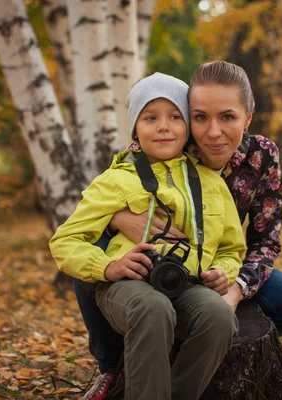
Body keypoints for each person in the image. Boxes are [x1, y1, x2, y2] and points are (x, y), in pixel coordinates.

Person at [76, 61, 282, 400]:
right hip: (152, 255)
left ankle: (195, 322)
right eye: (201, 117)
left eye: (228, 117)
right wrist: (120, 218)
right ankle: (110, 365)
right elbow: (117, 180)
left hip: (218, 263)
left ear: (248, 117)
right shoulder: (171, 142)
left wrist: (235, 286)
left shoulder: (262, 156)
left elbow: (265, 240)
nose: (214, 132)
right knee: (91, 256)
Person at [50, 72, 247, 400]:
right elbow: (64, 241)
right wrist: (109, 267)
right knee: (153, 308)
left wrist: (222, 272)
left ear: (187, 127)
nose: (163, 126)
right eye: (150, 117)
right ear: (135, 130)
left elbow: (231, 249)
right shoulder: (115, 180)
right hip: (127, 288)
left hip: (188, 285)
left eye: (174, 117)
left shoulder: (211, 183)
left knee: (219, 316)